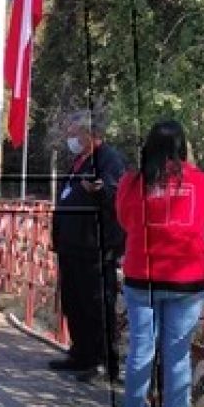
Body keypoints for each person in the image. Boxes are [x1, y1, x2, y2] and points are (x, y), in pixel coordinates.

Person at [116, 119, 204, 407]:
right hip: (187, 279)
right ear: (183, 146)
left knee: (141, 350)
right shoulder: (201, 182)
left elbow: (125, 221)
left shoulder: (133, 181)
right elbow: (203, 222)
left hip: (142, 276)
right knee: (177, 356)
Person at [49, 107, 128, 384]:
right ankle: (79, 353)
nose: (70, 138)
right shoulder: (80, 160)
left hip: (94, 246)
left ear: (90, 134)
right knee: (74, 302)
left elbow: (116, 193)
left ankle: (100, 361)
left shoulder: (109, 159)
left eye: (74, 133)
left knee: (95, 305)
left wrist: (101, 189)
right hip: (72, 245)